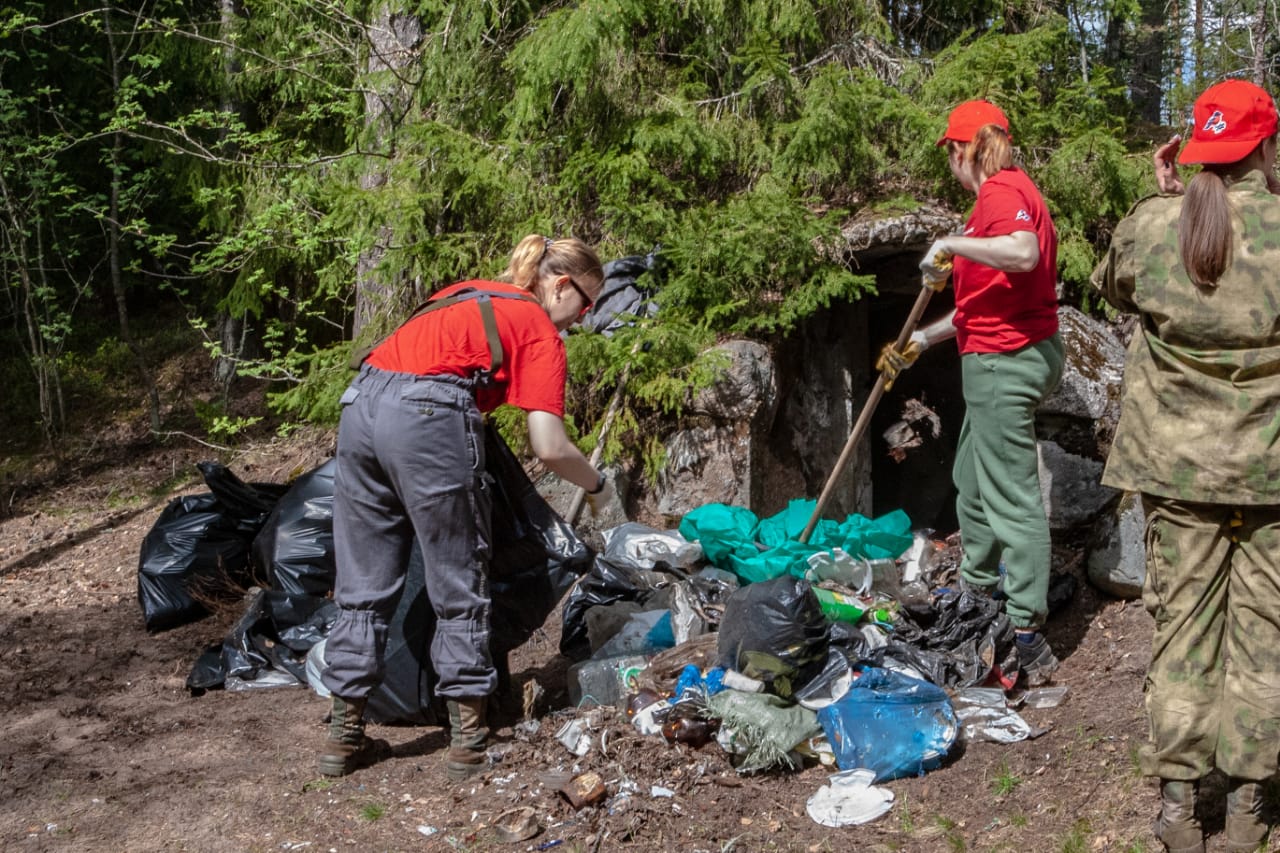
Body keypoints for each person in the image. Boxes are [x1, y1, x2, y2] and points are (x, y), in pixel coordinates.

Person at [318, 234, 614, 782]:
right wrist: (597, 486)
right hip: (428, 421)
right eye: (586, 303)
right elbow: (548, 446)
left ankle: (343, 738)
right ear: (561, 285)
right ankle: (468, 744)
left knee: (363, 581)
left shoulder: (464, 294)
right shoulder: (536, 328)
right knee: (459, 578)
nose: (582, 318)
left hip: (360, 410)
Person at [1091, 79, 1280, 853]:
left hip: (1177, 472)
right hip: (1271, 472)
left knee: (1182, 632)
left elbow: (1111, 288)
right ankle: (1246, 812)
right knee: (1267, 633)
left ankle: (1176, 809)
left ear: (1194, 152)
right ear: (1267, 147)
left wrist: (1163, 196)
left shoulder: (1152, 226)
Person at [879, 99, 1064, 685]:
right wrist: (922, 342)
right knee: (972, 481)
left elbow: (1023, 252)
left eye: (952, 155)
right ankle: (978, 594)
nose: (951, 167)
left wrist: (952, 244)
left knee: (1010, 495)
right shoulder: (1007, 197)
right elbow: (979, 304)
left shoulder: (999, 193)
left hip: (1004, 364)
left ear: (965, 150)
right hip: (1002, 350)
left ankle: (1027, 632)